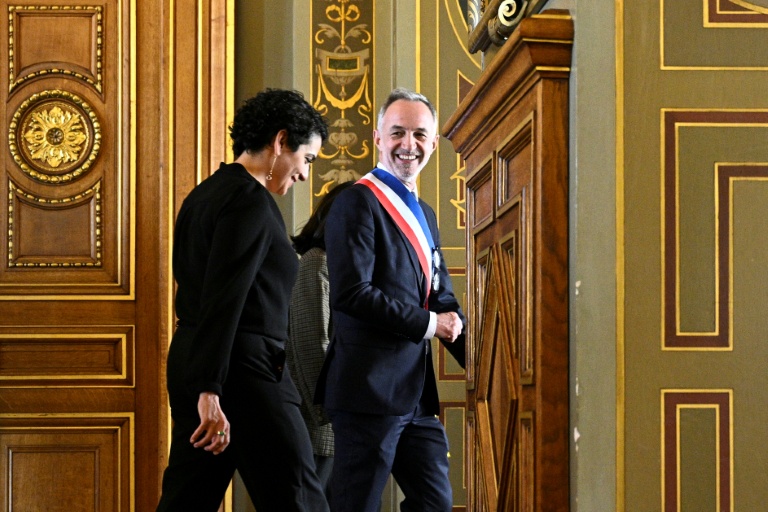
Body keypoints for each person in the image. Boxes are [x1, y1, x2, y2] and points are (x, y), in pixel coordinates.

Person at [157, 89, 331, 512]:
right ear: (280, 141)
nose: (304, 174)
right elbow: (224, 299)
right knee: (299, 497)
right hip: (245, 372)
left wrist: (204, 383)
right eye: (307, 159)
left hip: (197, 361)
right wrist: (210, 389)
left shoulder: (203, 195)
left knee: (187, 500)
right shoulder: (250, 201)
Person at [315, 88, 467, 512]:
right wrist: (430, 325)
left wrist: (486, 366)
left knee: (435, 503)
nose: (408, 144)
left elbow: (441, 297)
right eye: (398, 132)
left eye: (419, 135)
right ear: (378, 139)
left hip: (416, 396)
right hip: (367, 391)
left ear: (433, 144)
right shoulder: (355, 202)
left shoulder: (426, 214)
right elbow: (353, 294)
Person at [286, 180, 354, 500]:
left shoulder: (345, 266)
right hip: (320, 423)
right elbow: (311, 344)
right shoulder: (318, 260)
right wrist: (331, 413)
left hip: (337, 419)